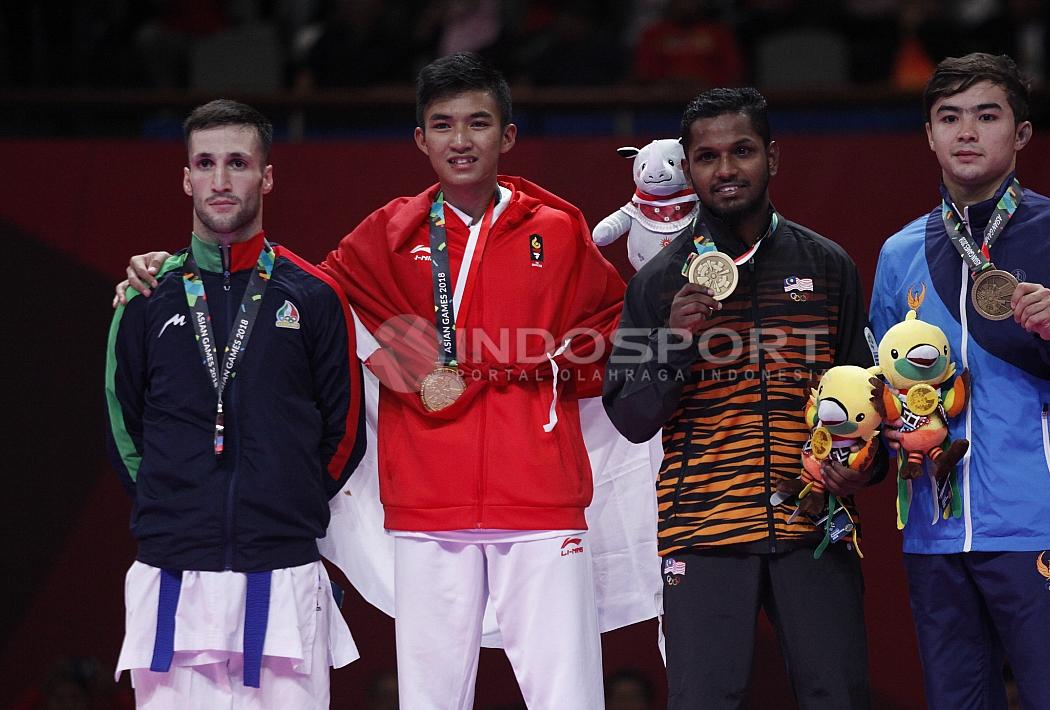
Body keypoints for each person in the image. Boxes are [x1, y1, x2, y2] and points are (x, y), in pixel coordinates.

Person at [116, 53, 629, 709]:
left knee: (570, 696)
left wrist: (551, 361)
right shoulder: (387, 233)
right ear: (421, 140)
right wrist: (172, 263)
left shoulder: (557, 231)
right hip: (426, 506)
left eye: (478, 123)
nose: (461, 140)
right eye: (443, 125)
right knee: (429, 700)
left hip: (540, 497)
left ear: (507, 137)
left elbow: (612, 328)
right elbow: (305, 298)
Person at [869, 53, 1050, 710]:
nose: (967, 132)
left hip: (1035, 523)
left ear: (1021, 134)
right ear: (929, 135)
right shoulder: (899, 251)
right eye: (949, 117)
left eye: (986, 116)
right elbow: (882, 387)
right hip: (935, 529)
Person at [604, 87, 883, 709]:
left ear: (773, 158)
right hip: (702, 532)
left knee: (838, 696)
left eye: (742, 151)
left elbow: (865, 402)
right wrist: (674, 342)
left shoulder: (830, 266)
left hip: (813, 524)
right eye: (707, 157)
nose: (725, 169)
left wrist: (860, 464)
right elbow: (629, 416)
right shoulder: (656, 282)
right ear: (688, 167)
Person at [104, 99, 365, 708]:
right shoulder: (144, 299)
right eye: (206, 163)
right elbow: (123, 427)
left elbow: (345, 427)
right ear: (186, 177)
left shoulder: (316, 296)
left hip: (283, 567)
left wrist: (286, 499)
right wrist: (173, 501)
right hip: (175, 569)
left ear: (266, 176)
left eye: (239, 163)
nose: (221, 181)